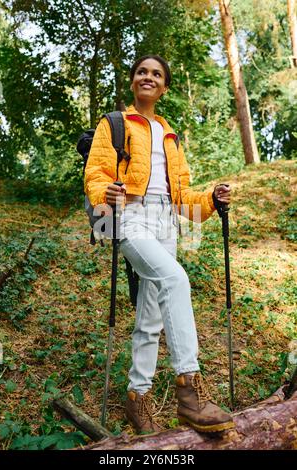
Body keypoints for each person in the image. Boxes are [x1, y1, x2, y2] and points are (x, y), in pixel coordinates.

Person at [85, 54, 234, 434]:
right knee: (175, 280)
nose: (148, 77)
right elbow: (96, 173)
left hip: (166, 222)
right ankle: (190, 388)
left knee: (150, 319)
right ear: (133, 81)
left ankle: (137, 397)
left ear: (164, 87)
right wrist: (108, 192)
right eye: (141, 72)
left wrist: (211, 200)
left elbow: (182, 194)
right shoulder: (114, 124)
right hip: (131, 218)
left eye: (156, 74)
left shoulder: (170, 135)